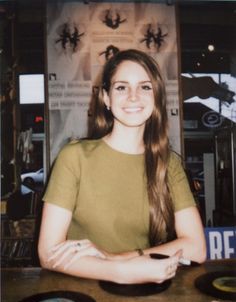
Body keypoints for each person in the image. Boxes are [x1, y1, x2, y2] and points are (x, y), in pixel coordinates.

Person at [38, 49, 206, 284]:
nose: (134, 96)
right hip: (82, 293)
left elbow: (196, 247)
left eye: (145, 87)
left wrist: (116, 258)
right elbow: (48, 253)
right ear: (106, 98)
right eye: (121, 87)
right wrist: (120, 272)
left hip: (144, 291)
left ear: (156, 97)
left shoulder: (169, 163)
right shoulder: (74, 157)